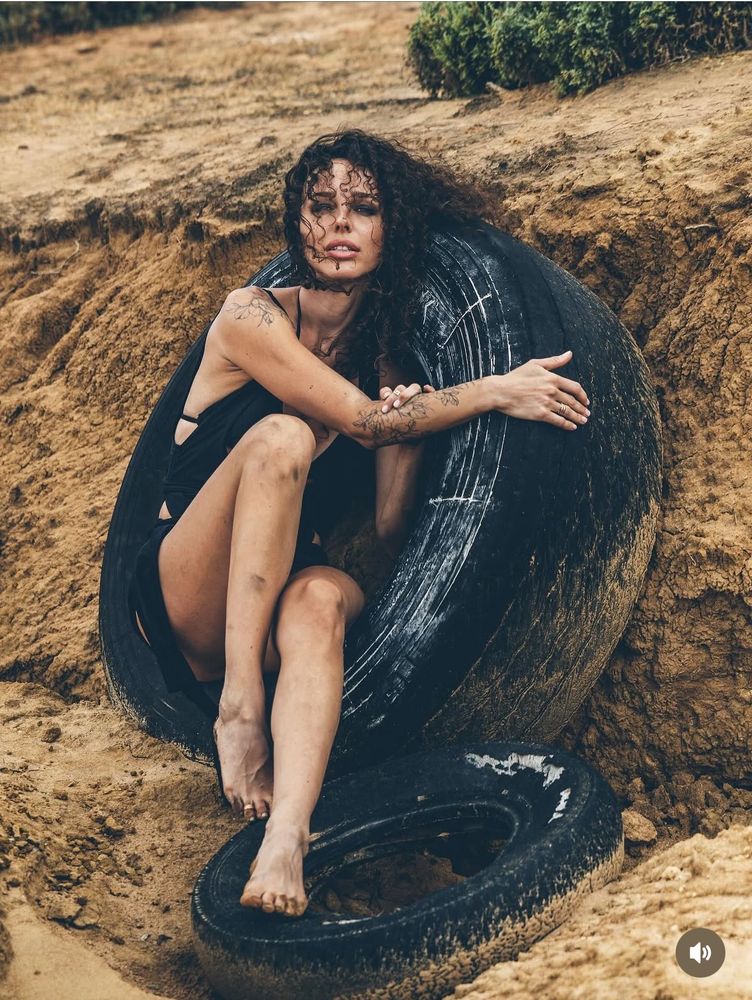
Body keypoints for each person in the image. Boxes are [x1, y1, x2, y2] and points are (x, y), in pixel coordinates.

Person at [128, 128, 590, 918]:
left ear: (391, 229)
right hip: (190, 594)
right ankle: (241, 708)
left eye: (364, 208)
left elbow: (389, 534)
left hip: (280, 585)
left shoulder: (385, 365)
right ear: (296, 224)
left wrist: (410, 431)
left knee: (319, 603)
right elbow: (361, 424)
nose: (340, 223)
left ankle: (287, 839)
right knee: (281, 438)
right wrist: (494, 390)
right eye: (321, 206)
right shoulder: (250, 317)